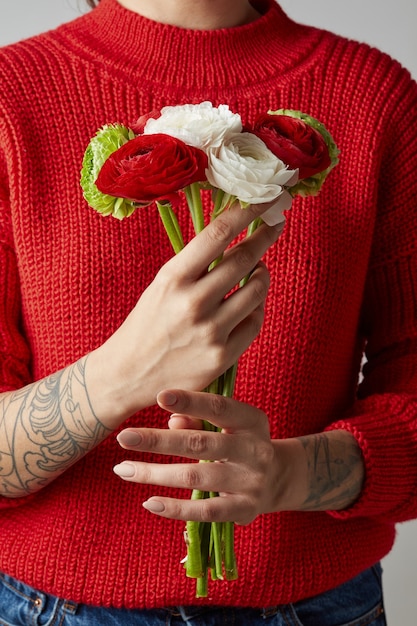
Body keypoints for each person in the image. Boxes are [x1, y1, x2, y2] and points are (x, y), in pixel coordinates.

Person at [0, 0, 416, 623]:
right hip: (52, 607)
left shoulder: (375, 97)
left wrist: (287, 474)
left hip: (322, 607)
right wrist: (120, 373)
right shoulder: (12, 95)